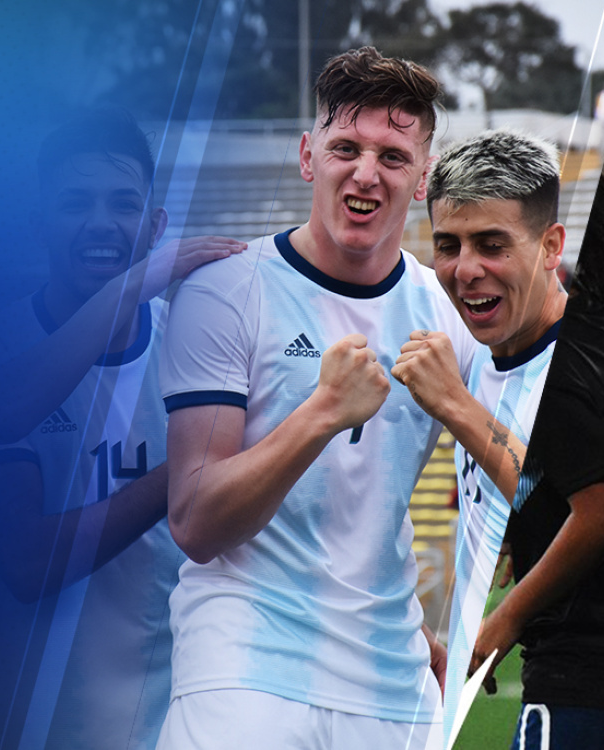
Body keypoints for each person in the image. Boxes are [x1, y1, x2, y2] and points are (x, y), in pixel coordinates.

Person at [156, 46, 477, 750]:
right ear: (308, 157)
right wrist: (323, 412)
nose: (366, 173)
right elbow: (196, 521)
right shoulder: (227, 290)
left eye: (393, 156)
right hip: (245, 668)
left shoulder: (446, 313)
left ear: (423, 178)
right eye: (345, 149)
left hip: (390, 680)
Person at [0, 107, 245, 750]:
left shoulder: (196, 341)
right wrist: (188, 469)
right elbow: (25, 562)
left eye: (124, 204)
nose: (101, 222)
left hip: (185, 715)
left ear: (155, 225)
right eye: (76, 203)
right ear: (39, 223)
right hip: (42, 721)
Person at [390, 129, 569, 742]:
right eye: (448, 245)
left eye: (492, 244)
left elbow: (590, 509)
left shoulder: (591, 355)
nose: (466, 270)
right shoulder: (485, 353)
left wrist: (455, 406)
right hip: (549, 671)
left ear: (551, 246)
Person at [470, 176, 604, 749]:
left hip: (583, 676)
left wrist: (503, 621)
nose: (471, 268)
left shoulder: (557, 361)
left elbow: (602, 512)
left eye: (493, 244)